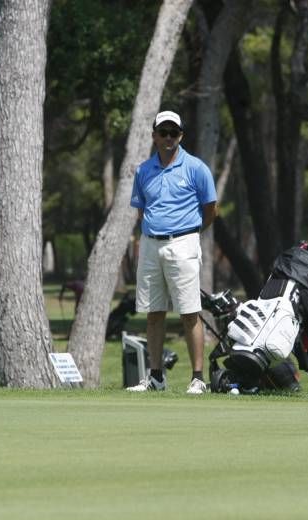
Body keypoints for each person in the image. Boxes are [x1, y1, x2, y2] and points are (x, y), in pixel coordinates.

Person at [127, 110, 217, 394]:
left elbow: (210, 208)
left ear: (181, 136)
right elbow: (141, 209)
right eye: (163, 132)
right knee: (154, 313)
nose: (168, 138)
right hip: (152, 244)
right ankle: (156, 377)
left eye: (173, 133)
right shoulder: (143, 171)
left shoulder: (196, 168)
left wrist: (190, 233)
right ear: (154, 135)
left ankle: (198, 378)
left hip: (184, 243)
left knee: (190, 312)